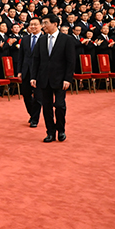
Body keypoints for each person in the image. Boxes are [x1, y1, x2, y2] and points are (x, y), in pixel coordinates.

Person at [30, 13, 76, 143]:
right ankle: (50, 132)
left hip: (61, 79)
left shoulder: (67, 39)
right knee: (47, 107)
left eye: (46, 23)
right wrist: (33, 76)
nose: (43, 26)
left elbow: (71, 61)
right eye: (42, 23)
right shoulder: (42, 40)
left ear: (55, 24)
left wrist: (68, 78)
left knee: (60, 105)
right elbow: (36, 59)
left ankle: (61, 130)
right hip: (44, 78)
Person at [18, 17, 43, 127]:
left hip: (39, 72)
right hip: (26, 70)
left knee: (38, 96)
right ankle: (33, 114)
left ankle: (34, 119)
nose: (33, 26)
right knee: (26, 94)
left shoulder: (45, 39)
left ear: (41, 26)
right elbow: (21, 56)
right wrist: (19, 71)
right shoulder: (25, 39)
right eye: (31, 24)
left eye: (35, 24)